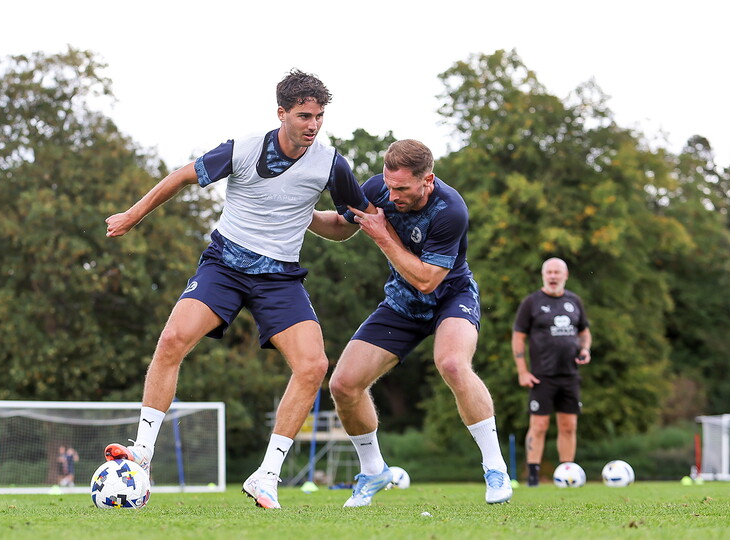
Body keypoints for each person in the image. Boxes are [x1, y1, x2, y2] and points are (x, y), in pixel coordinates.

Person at [102, 69, 372, 509]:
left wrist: (321, 219)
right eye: (304, 115)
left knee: (314, 365)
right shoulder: (244, 148)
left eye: (320, 116)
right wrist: (134, 215)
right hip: (224, 266)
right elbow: (182, 176)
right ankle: (142, 456)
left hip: (280, 278)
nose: (313, 125)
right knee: (171, 340)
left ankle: (266, 476)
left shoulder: (331, 164)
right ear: (281, 113)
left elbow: (347, 226)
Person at [308, 139, 513, 506]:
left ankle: (495, 467)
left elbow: (427, 280)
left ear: (427, 181)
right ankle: (373, 472)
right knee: (343, 385)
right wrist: (302, 213)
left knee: (451, 363)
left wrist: (384, 237)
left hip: (450, 296)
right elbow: (342, 226)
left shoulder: (450, 210)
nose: (392, 194)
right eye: (389, 184)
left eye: (402, 188)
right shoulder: (379, 188)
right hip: (402, 304)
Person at [511, 257, 592, 487]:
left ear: (566, 275)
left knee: (569, 426)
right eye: (549, 272)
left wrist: (585, 348)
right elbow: (518, 338)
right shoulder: (531, 303)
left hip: (570, 375)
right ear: (543, 275)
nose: (553, 276)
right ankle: (534, 477)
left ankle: (567, 473)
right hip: (542, 376)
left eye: (558, 272)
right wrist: (522, 371)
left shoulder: (574, 301)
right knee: (539, 426)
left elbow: (584, 331)